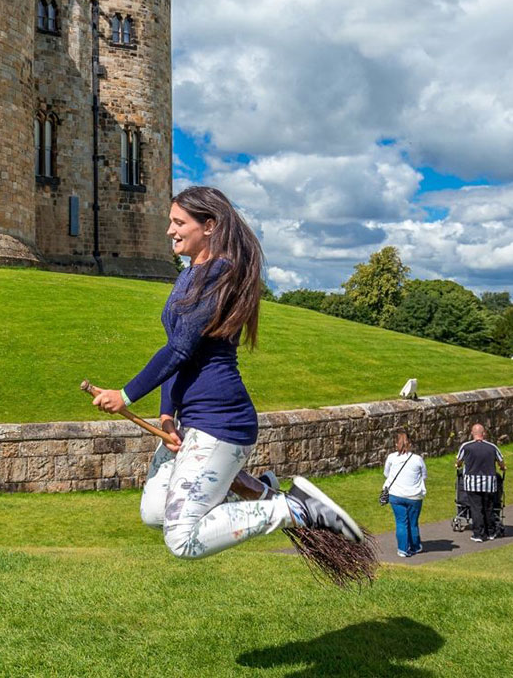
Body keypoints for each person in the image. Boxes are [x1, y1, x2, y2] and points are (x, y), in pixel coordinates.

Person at [87, 186, 361, 560]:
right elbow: (177, 350)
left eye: (179, 222)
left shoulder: (220, 272)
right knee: (154, 512)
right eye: (171, 221)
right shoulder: (190, 274)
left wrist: (127, 395)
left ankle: (297, 509)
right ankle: (256, 490)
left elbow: (180, 348)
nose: (170, 230)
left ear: (210, 225)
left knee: (181, 540)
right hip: (191, 419)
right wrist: (167, 417)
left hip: (220, 420)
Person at [456, 423, 505, 542]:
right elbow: (501, 461)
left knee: (476, 508)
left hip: (472, 483)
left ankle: (478, 534)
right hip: (489, 482)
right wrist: (502, 468)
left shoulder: (466, 446)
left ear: (472, 433)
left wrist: (458, 465)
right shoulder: (492, 447)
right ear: (484, 433)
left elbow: (458, 461)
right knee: (488, 507)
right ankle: (491, 532)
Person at [383, 431, 427, 557]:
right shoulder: (418, 459)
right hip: (414, 496)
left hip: (396, 495)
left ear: (396, 444)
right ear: (410, 444)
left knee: (401, 522)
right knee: (413, 522)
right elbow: (424, 476)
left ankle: (402, 549)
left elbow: (386, 474)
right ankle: (415, 546)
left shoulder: (391, 458)